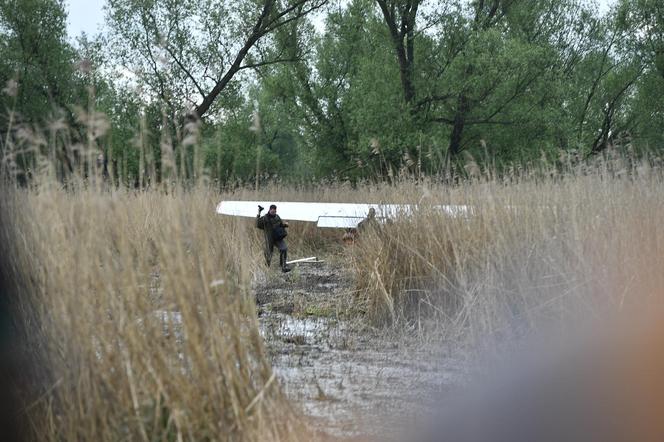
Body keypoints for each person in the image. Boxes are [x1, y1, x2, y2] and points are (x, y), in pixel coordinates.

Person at [256, 204, 291, 273]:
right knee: (269, 253)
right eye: (272, 210)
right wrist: (259, 213)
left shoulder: (277, 217)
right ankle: (266, 269)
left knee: (284, 249)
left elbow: (280, 225)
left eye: (274, 211)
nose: (273, 212)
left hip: (278, 237)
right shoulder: (265, 218)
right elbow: (257, 225)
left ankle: (283, 266)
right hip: (269, 239)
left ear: (276, 210)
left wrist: (285, 225)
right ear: (269, 210)